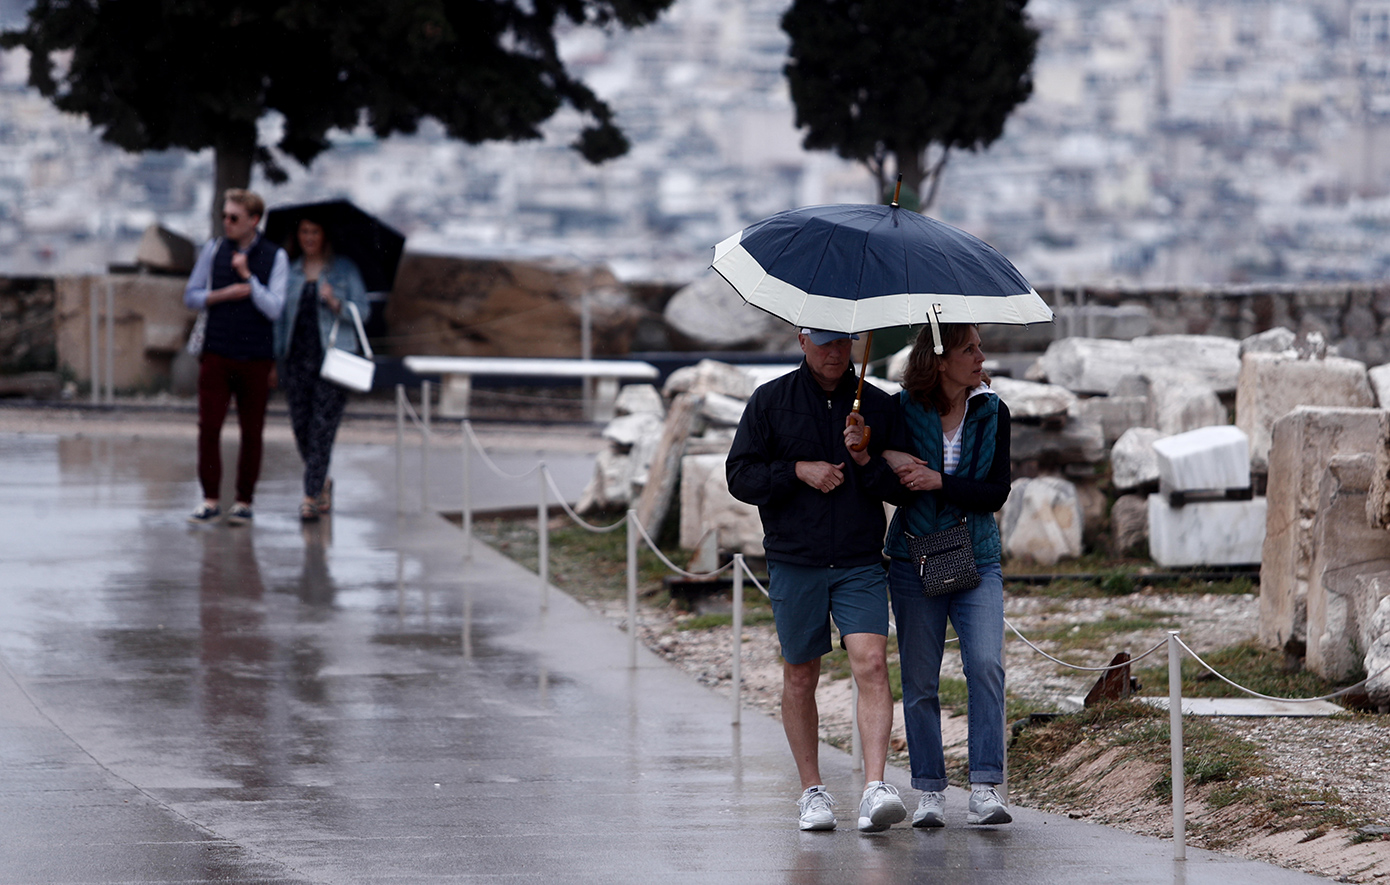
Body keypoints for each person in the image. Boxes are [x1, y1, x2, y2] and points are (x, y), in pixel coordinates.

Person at [726, 328, 910, 833]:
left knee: (872, 664)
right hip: (795, 559)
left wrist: (864, 456)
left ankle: (874, 789)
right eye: (824, 341)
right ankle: (812, 793)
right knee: (801, 675)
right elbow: (739, 476)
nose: (835, 352)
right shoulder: (770, 400)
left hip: (859, 558)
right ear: (803, 340)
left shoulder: (877, 404)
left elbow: (900, 487)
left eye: (844, 341)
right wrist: (795, 471)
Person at [881, 323, 1013, 828]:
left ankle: (984, 787)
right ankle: (930, 792)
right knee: (919, 680)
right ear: (940, 361)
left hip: (976, 555)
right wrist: (880, 453)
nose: (981, 356)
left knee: (985, 664)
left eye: (979, 347)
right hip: (914, 556)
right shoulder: (899, 409)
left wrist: (939, 480)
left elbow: (995, 492)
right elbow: (884, 484)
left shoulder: (993, 411)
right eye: (969, 349)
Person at [183, 189, 289, 526]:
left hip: (256, 355)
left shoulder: (276, 257)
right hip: (216, 350)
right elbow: (191, 295)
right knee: (209, 427)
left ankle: (244, 500)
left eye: (234, 218)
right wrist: (222, 294)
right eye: (225, 216)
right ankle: (210, 497)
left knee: (252, 430)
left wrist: (248, 279)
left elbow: (275, 307)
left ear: (253, 221)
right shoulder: (214, 250)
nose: (227, 223)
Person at [273, 216, 370, 522]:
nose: (309, 237)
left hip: (333, 360)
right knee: (301, 427)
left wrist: (336, 304)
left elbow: (363, 312)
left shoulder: (344, 270)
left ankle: (309, 496)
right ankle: (322, 482)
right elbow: (280, 321)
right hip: (297, 359)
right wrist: (275, 361)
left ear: (325, 235)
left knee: (322, 429)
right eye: (304, 231)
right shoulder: (290, 272)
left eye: (315, 231)